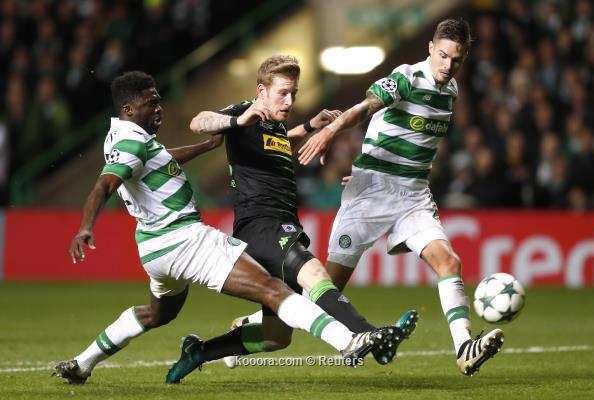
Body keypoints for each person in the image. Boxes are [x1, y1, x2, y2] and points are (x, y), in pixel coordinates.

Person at [53, 71, 403, 385]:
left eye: (158, 101)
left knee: (157, 314)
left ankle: (82, 364)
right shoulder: (134, 141)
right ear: (129, 109)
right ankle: (349, 340)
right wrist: (85, 228)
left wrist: (205, 148)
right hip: (185, 239)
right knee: (274, 290)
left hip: (153, 249)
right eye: (151, 103)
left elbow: (160, 160)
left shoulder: (127, 137)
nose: (159, 108)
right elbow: (105, 184)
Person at [171, 55, 418, 375]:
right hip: (260, 225)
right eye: (283, 93)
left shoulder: (272, 124)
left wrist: (310, 127)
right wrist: (237, 120)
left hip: (282, 222)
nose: (289, 101)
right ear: (262, 90)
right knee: (314, 272)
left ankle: (199, 352)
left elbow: (276, 143)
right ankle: (366, 333)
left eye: (294, 93)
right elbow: (199, 121)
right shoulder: (244, 112)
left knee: (276, 337)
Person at [297, 19, 505, 376]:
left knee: (449, 263)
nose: (447, 65)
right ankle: (258, 322)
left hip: (413, 194)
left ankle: (464, 348)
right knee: (325, 291)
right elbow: (366, 107)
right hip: (371, 193)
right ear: (430, 48)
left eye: (456, 59)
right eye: (442, 56)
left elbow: (412, 139)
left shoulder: (451, 89)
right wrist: (331, 132)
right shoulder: (407, 78)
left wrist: (381, 164)